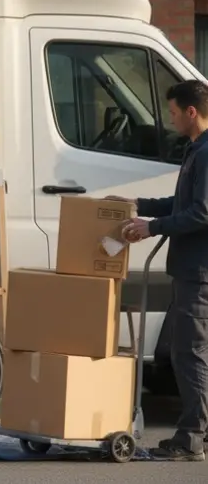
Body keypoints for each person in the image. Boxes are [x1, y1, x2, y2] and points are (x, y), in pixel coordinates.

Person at [113, 79, 208, 462]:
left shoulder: (206, 153)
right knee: (188, 351)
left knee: (189, 353)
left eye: (172, 113)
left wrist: (151, 227)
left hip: (199, 271)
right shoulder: (196, 150)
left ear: (190, 111)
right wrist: (139, 204)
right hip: (190, 268)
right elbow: (179, 202)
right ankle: (197, 432)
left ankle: (191, 439)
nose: (169, 120)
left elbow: (202, 212)